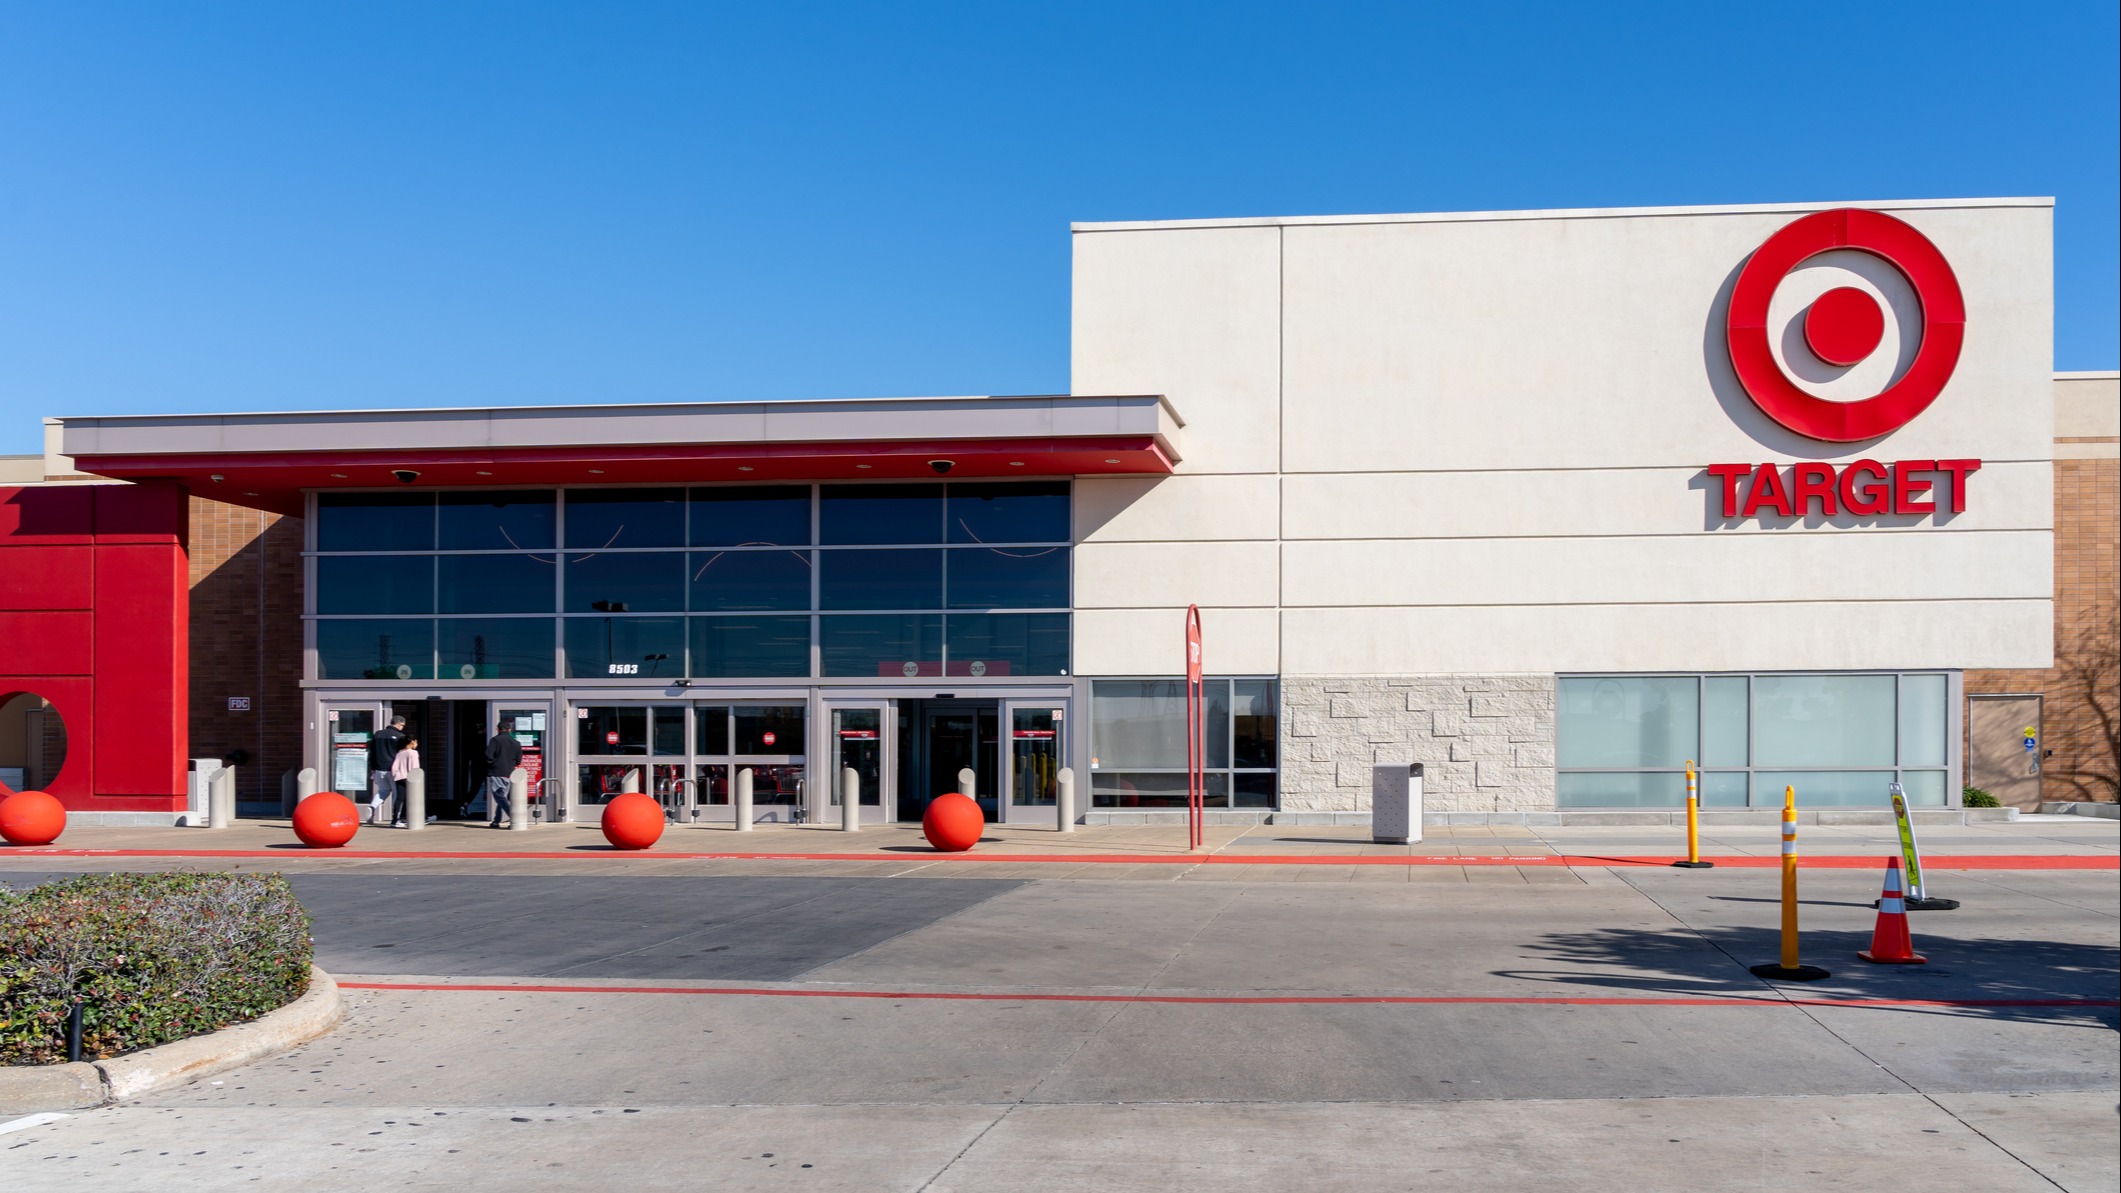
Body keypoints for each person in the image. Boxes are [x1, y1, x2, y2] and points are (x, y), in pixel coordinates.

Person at [367, 715, 410, 825]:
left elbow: (372, 752)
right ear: (399, 724)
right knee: (397, 795)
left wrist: (373, 768)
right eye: (402, 726)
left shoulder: (377, 734)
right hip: (394, 770)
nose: (402, 728)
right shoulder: (400, 736)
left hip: (379, 769)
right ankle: (396, 819)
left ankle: (372, 807)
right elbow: (402, 754)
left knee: (383, 791)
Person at [486, 719, 523, 828]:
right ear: (509, 730)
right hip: (510, 773)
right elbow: (518, 760)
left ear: (497, 729)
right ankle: (496, 821)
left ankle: (514, 817)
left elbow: (489, 756)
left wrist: (492, 764)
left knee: (499, 796)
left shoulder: (494, 740)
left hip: (497, 772)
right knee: (502, 797)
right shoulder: (516, 743)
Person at [387, 737, 420, 828]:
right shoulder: (413, 753)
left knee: (399, 798)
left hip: (399, 777)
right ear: (411, 742)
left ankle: (395, 820)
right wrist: (415, 778)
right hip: (409, 777)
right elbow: (414, 767)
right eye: (416, 741)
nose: (416, 744)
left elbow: (394, 767)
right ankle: (415, 818)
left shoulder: (400, 753)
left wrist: (396, 776)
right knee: (414, 798)